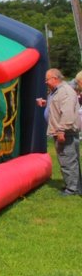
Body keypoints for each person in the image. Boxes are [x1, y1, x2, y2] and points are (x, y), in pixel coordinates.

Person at [39, 68, 81, 196]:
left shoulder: (65, 92)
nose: (46, 82)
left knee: (68, 160)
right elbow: (58, 106)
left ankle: (72, 189)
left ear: (55, 79)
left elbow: (67, 112)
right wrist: (46, 103)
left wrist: (61, 130)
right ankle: (75, 186)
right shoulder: (58, 91)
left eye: (47, 79)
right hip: (63, 131)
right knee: (69, 160)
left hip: (65, 132)